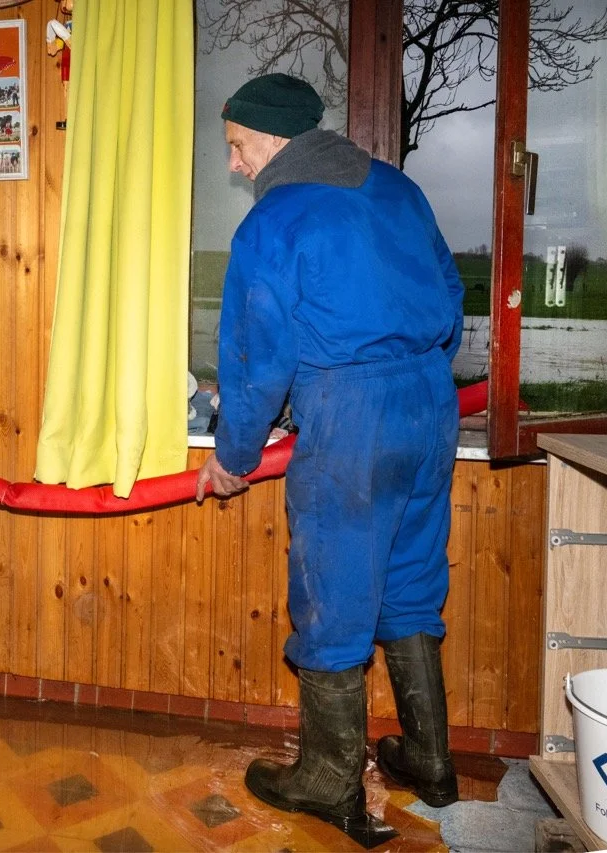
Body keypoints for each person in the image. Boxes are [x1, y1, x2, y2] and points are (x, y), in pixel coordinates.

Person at [195, 74, 464, 848]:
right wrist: (412, 370)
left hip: (352, 417)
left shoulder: (275, 220)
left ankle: (328, 778)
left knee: (332, 595)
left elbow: (253, 358)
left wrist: (234, 455)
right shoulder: (399, 190)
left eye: (238, 148)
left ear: (273, 141)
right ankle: (430, 760)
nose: (237, 166)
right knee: (412, 579)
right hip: (428, 403)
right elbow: (450, 295)